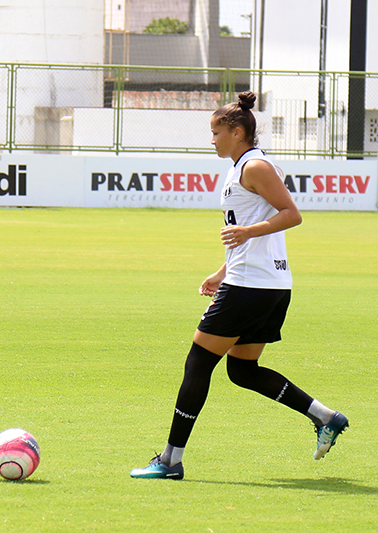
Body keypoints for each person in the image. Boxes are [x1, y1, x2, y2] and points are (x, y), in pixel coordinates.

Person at [130, 91, 348, 480]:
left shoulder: (255, 167)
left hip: (251, 287)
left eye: (215, 132)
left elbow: (291, 214)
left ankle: (170, 460)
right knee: (243, 370)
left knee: (198, 361)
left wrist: (247, 232)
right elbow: (256, 231)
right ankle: (325, 417)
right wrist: (222, 269)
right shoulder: (240, 167)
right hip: (265, 283)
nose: (211, 139)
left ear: (236, 131)